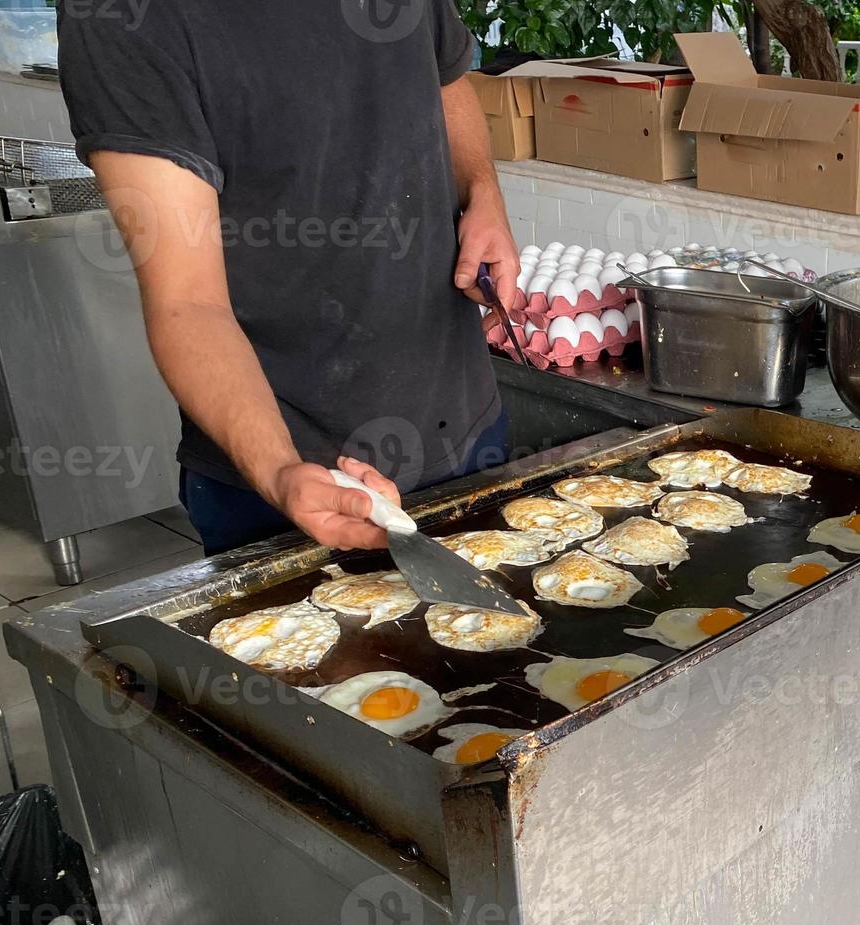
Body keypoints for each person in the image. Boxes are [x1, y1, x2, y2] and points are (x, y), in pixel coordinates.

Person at [57, 0, 519, 555]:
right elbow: (187, 302)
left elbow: (443, 77)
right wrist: (279, 471)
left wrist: (482, 191)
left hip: (468, 425)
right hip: (303, 481)